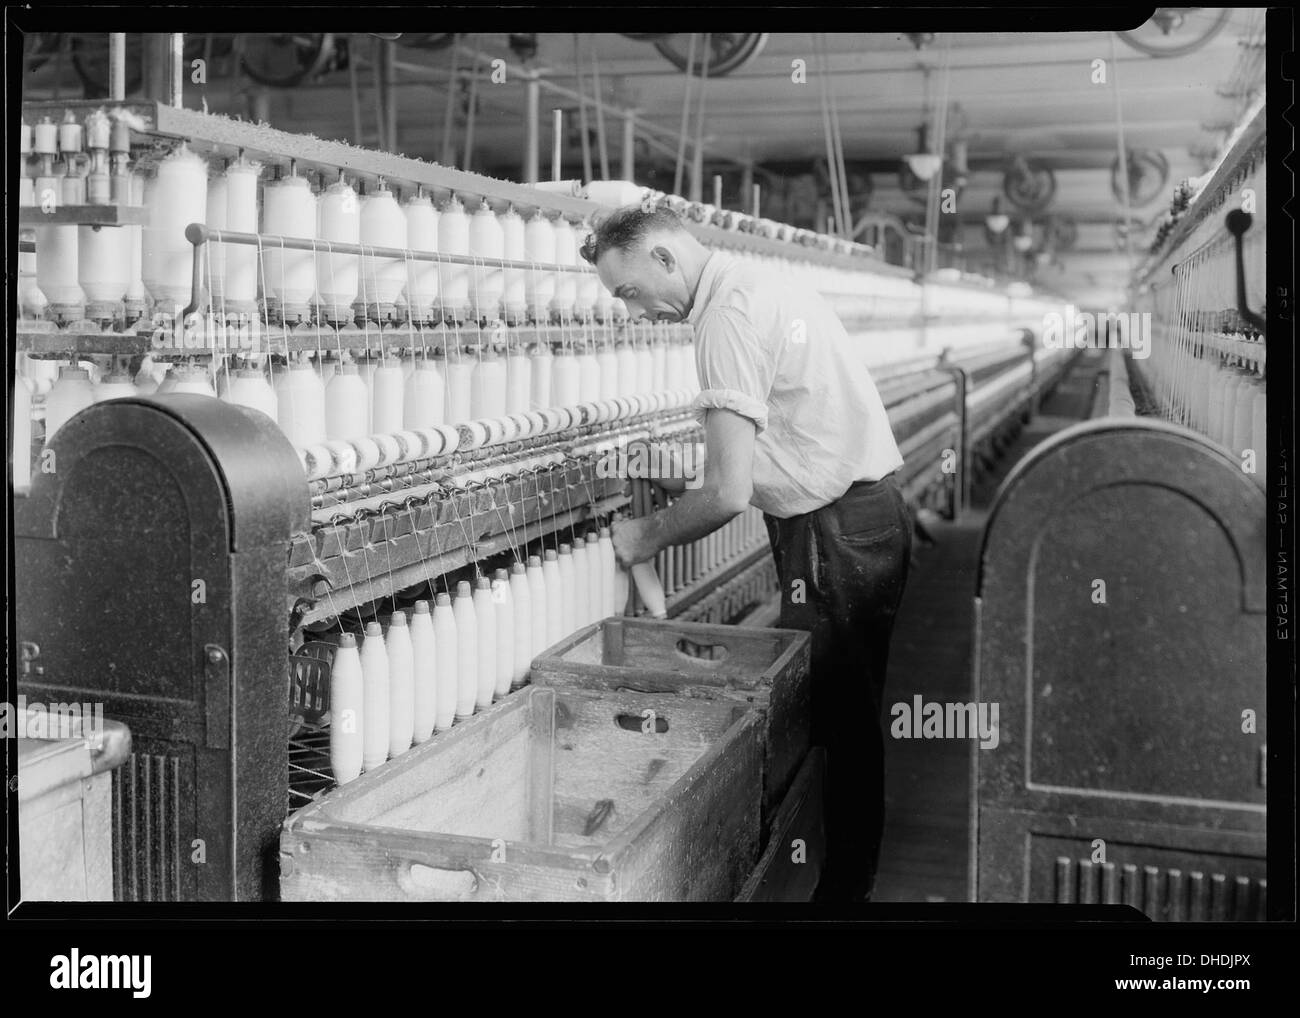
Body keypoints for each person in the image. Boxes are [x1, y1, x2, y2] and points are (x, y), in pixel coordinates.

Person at [581, 204, 913, 902]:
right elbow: (772, 448)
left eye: (632, 293)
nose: (636, 313)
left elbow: (730, 493)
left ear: (666, 257)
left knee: (838, 726)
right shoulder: (757, 285)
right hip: (863, 516)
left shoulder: (725, 317)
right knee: (843, 714)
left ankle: (842, 897)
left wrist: (643, 536)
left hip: (835, 535)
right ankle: (839, 882)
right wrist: (685, 480)